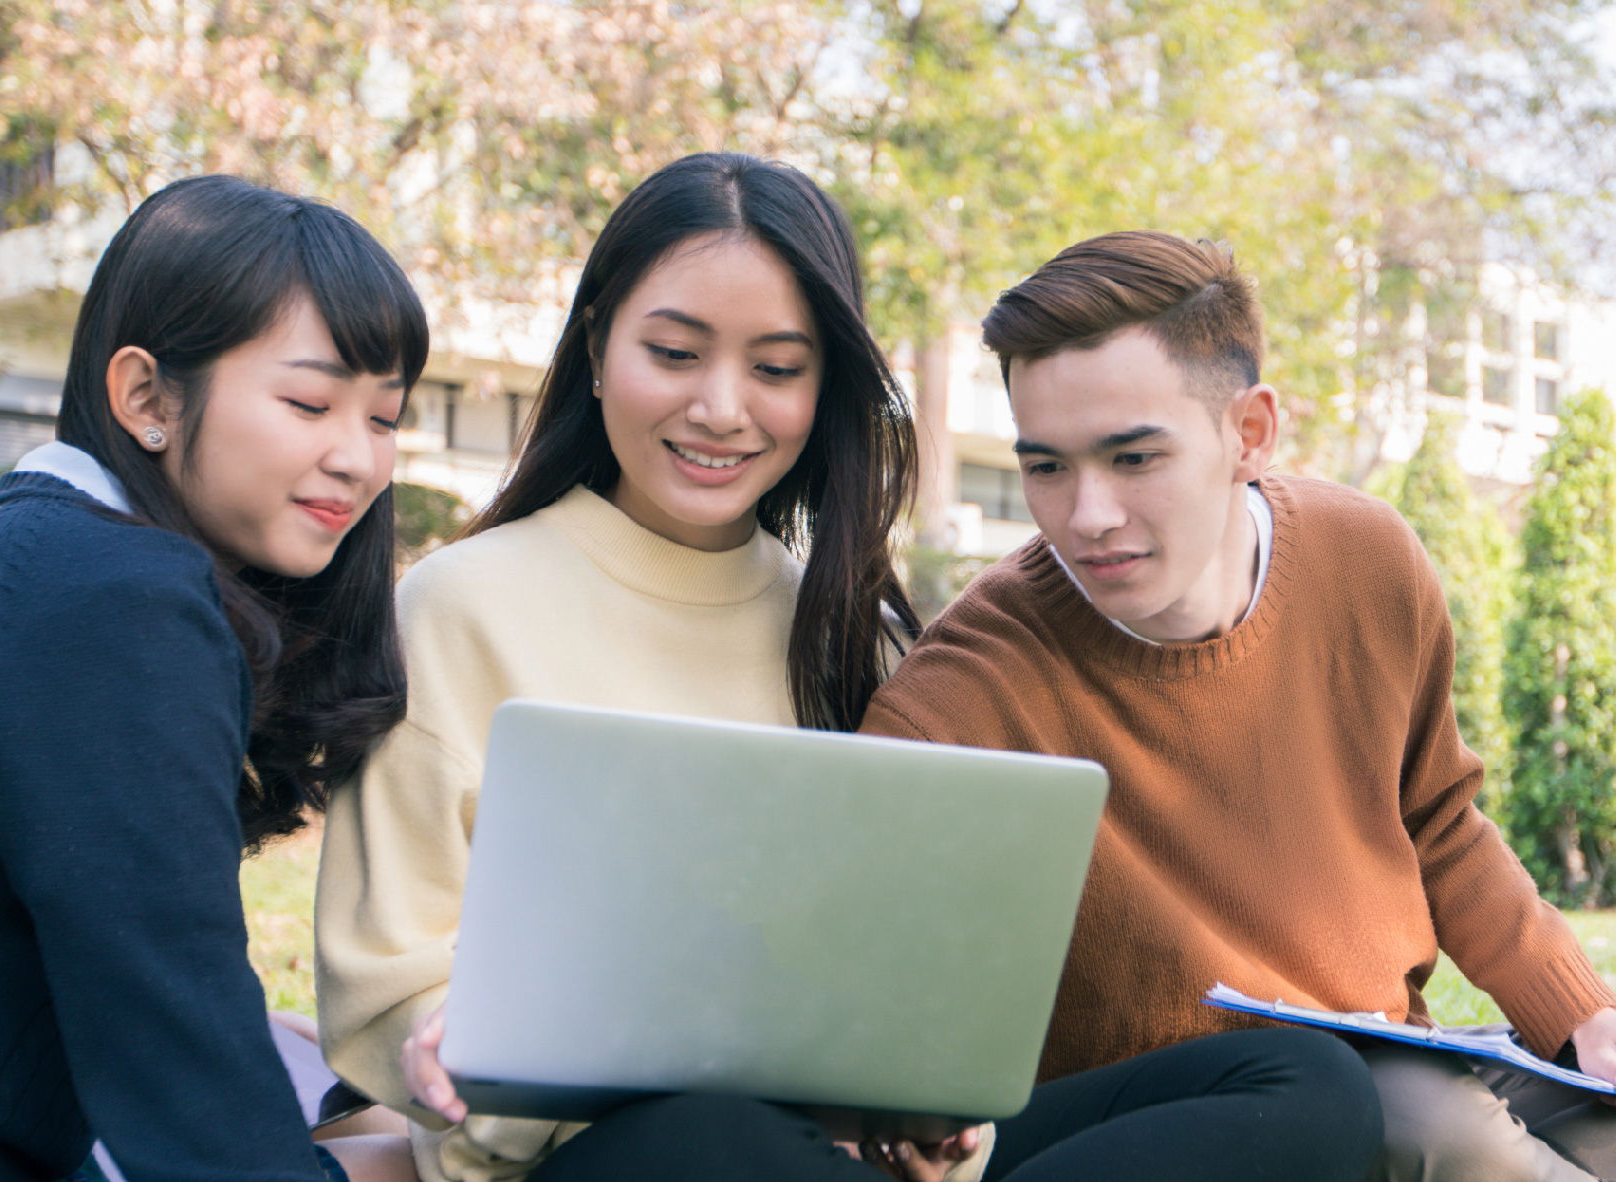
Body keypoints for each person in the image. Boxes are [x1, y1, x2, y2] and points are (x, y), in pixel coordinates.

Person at [313, 154, 1383, 1182]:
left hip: (828, 1151)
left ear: (822, 390)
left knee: (1303, 1084)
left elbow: (906, 977)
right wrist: (447, 1049)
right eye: (674, 354)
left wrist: (933, 1115)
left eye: (775, 369)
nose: (721, 408)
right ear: (597, 351)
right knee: (706, 1133)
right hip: (615, 1155)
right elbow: (386, 992)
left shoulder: (849, 631)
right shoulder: (456, 608)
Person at [859, 228, 1616, 1180]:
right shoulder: (959, 697)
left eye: (1133, 459)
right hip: (1223, 1116)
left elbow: (1440, 824)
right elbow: (880, 972)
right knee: (1440, 1136)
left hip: (1412, 1049)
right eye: (1046, 466)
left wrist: (1583, 1012)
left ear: (1248, 434)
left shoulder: (1368, 559)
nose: (1085, 515)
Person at [0, 175, 425, 1182]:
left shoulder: (28, 559)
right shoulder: (107, 595)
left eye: (384, 417)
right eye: (308, 401)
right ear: (146, 398)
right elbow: (175, 1039)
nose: (357, 460)